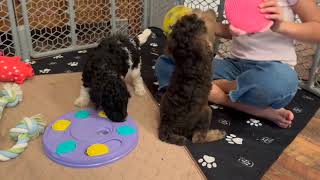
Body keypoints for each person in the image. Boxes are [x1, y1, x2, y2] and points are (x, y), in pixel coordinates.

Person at [155, 0, 320, 128]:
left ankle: (216, 92)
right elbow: (234, 31)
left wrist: (282, 25)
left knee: (278, 82)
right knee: (167, 63)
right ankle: (246, 105)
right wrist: (201, 25)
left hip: (273, 70)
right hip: (234, 66)